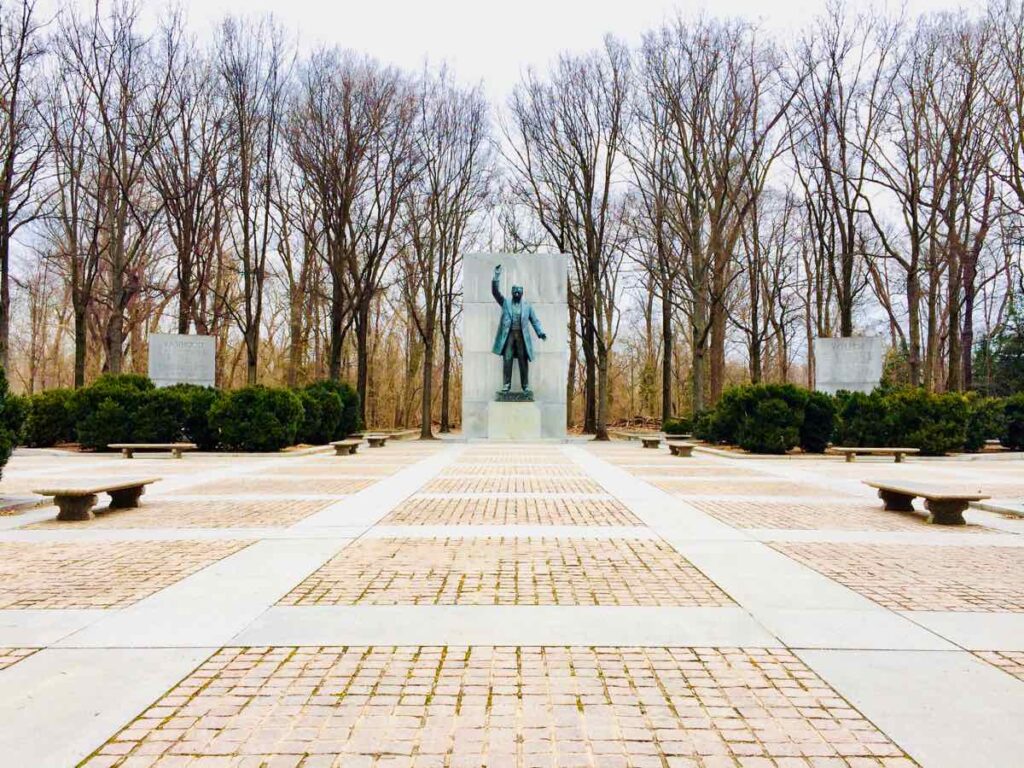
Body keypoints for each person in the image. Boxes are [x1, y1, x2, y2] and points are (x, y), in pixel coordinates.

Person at [491, 264, 547, 394]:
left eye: (519, 291)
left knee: (523, 360)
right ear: (512, 292)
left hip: (522, 336)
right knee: (507, 359)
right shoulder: (505, 303)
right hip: (509, 335)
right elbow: (495, 293)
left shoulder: (527, 307)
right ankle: (506, 385)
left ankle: (525, 386)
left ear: (522, 293)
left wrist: (540, 332)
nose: (517, 292)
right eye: (515, 290)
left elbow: (534, 320)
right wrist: (496, 276)